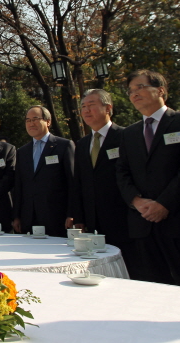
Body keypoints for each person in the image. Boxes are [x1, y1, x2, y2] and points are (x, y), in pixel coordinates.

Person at [115, 69, 180, 291]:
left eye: (140, 87)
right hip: (143, 223)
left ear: (161, 90)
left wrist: (164, 204)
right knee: (153, 289)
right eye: (130, 90)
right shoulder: (129, 133)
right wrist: (137, 201)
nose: (134, 94)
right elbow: (122, 173)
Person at [71, 89, 134, 271]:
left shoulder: (125, 136)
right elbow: (79, 182)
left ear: (108, 108)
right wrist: (80, 217)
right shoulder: (82, 144)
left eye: (91, 105)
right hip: (93, 221)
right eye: (83, 106)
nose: (86, 110)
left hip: (123, 218)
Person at [12, 106, 74, 237]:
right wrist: (16, 216)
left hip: (57, 216)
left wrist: (72, 214)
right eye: (27, 120)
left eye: (35, 119)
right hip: (28, 217)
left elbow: (73, 183)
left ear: (48, 121)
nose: (31, 123)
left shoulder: (64, 146)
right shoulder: (22, 152)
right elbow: (19, 186)